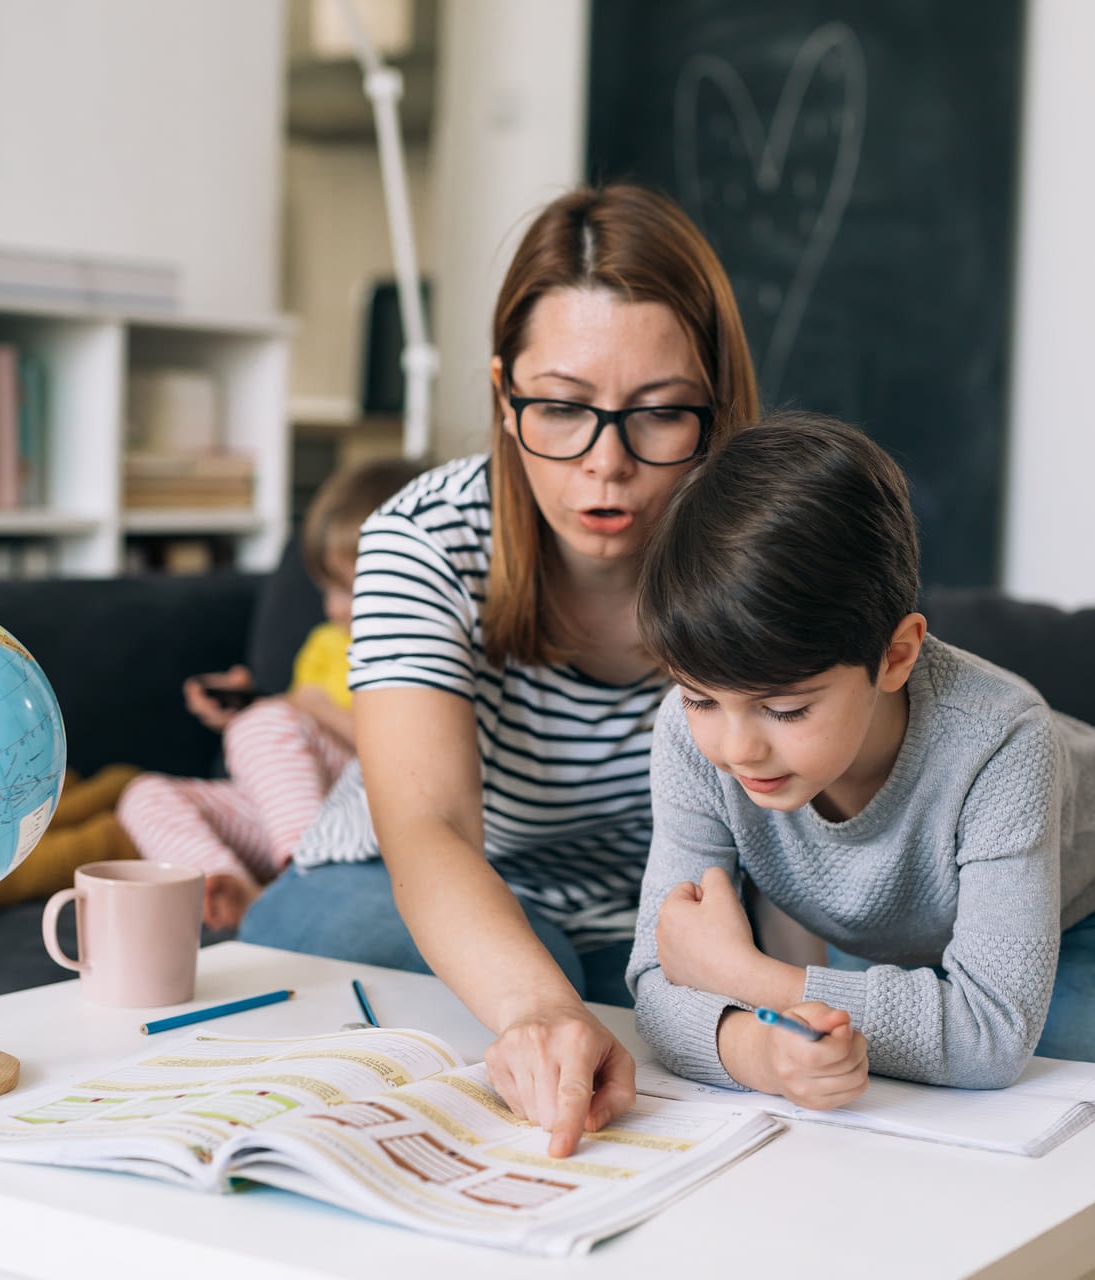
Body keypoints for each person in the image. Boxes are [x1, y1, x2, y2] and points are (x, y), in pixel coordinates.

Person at [238, 184, 761, 1156]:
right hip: (403, 884)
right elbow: (427, 825)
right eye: (561, 408)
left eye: (658, 414)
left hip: (648, 914)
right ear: (502, 391)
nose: (604, 463)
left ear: (715, 404)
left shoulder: (764, 541)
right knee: (530, 1006)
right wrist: (535, 1004)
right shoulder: (422, 537)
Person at [627, 411, 1095, 1113]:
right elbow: (659, 976)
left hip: (1082, 905)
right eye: (701, 698)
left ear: (896, 655)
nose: (736, 750)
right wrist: (758, 1050)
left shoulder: (1004, 740)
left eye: (786, 710)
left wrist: (747, 978)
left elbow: (990, 1034)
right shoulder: (690, 735)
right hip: (887, 920)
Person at [116, 458, 421, 929]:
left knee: (266, 722)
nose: (333, 608)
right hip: (300, 817)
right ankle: (235, 892)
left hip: (370, 820)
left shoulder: (417, 647)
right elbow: (290, 744)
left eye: (350, 589)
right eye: (326, 588)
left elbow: (416, 759)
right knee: (143, 794)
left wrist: (306, 708)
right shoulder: (324, 643)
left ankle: (309, 892)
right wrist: (253, 704)